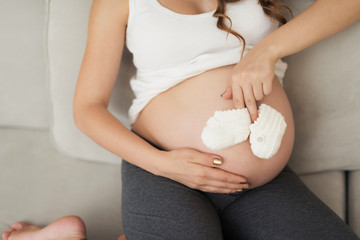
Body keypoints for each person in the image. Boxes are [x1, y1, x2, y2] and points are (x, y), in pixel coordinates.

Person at [3, 0, 360, 239]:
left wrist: (267, 50)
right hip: (165, 172)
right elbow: (86, 108)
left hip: (258, 185)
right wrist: (161, 164)